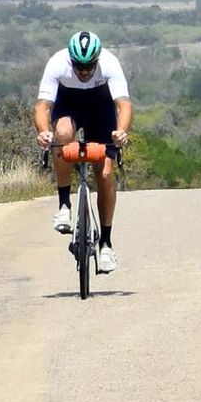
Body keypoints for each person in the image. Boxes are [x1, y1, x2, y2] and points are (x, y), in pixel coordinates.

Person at [34, 30, 133, 274]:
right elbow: (42, 106)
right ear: (70, 60)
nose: (84, 72)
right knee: (62, 135)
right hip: (70, 106)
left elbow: (123, 104)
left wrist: (121, 131)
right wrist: (44, 131)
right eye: (79, 66)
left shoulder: (110, 63)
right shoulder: (57, 63)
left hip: (101, 110)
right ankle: (65, 205)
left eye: (89, 66)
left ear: (98, 59)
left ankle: (106, 244)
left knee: (106, 172)